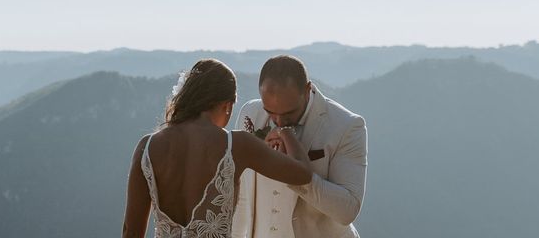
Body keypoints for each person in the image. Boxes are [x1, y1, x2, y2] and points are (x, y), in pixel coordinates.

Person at [122, 58, 313, 238]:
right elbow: (303, 174)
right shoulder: (236, 145)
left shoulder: (146, 147)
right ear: (227, 105)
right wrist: (284, 129)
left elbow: (131, 231)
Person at [232, 55, 367, 238]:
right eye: (270, 112)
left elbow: (348, 210)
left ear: (307, 89)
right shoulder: (250, 114)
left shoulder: (347, 126)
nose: (279, 121)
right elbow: (243, 196)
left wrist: (298, 174)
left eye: (289, 113)